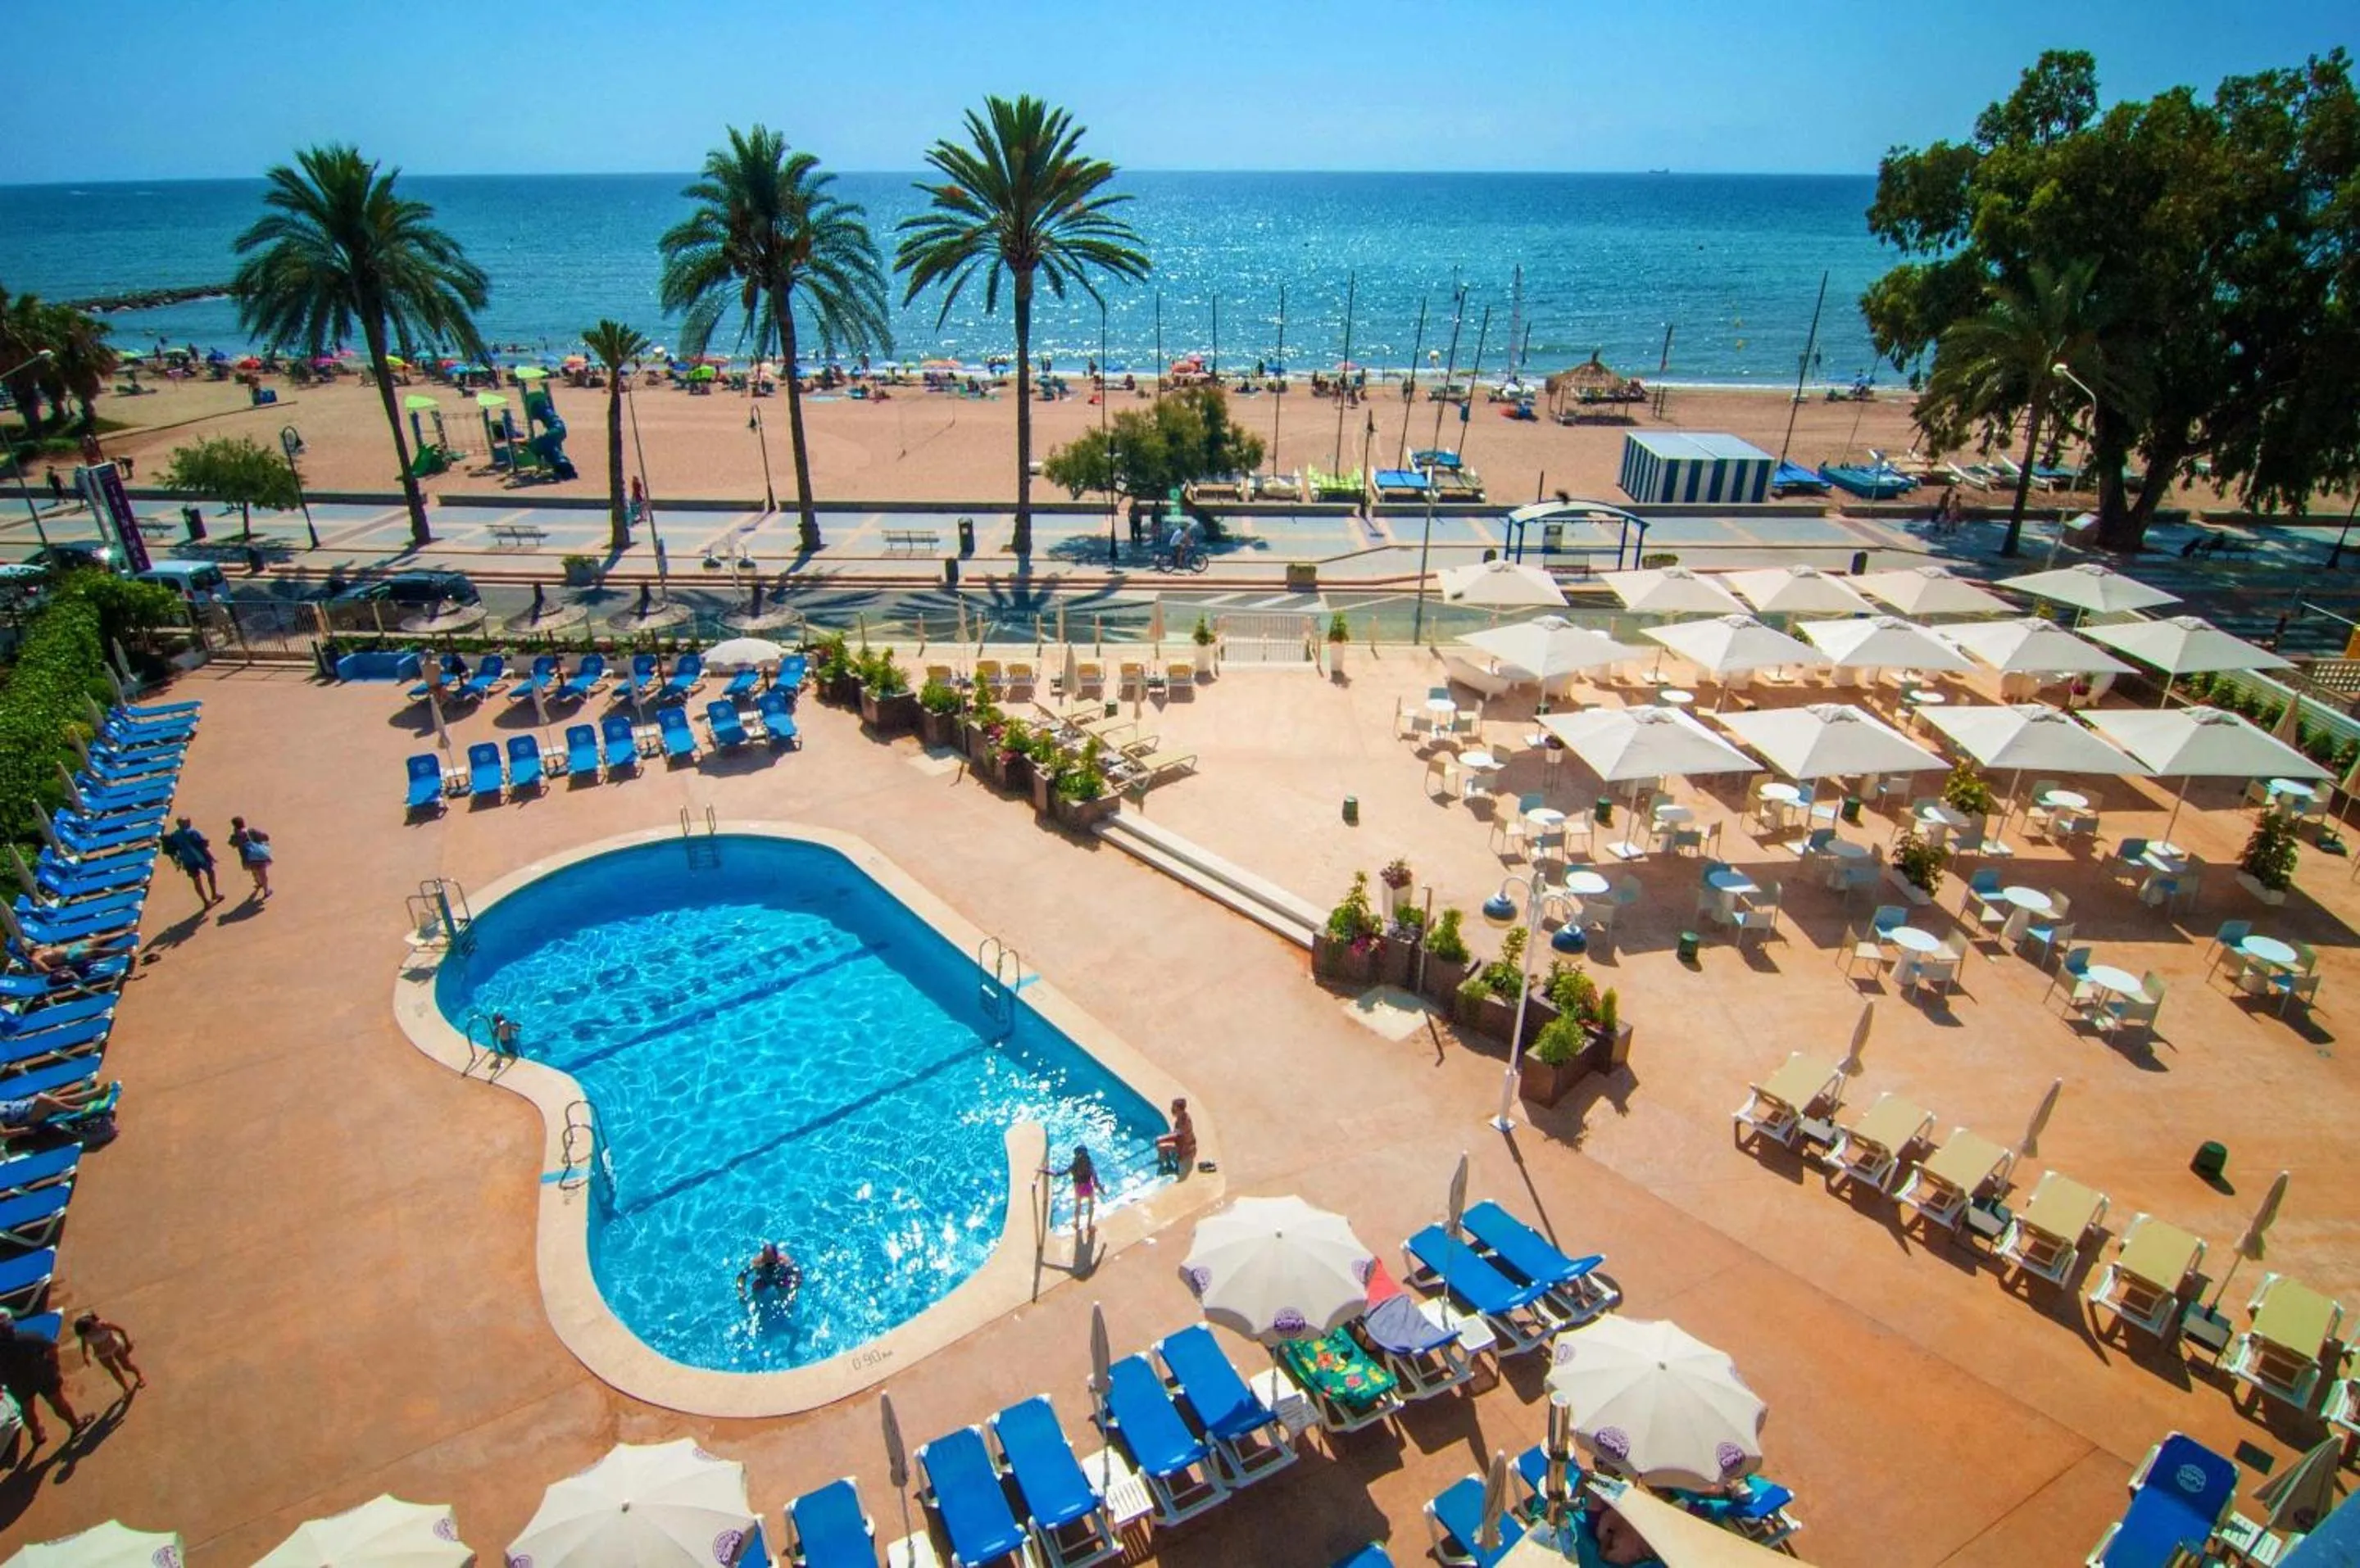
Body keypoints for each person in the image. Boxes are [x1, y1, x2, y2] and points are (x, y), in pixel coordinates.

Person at [0, 1309, 87, 1448]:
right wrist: (54, 1366)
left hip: (16, 1381)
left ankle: (38, 1435)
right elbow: (52, 1347)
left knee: (27, 1408)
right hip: (42, 1374)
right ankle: (76, 1425)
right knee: (58, 1402)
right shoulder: (30, 1337)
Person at [0, 1081, 114, 1137]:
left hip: (28, 1107)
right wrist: (24, 1131)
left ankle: (96, 1093)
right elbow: (3, 1133)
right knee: (44, 1100)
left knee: (59, 1100)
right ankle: (75, 1109)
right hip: (26, 1118)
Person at [74, 1310, 144, 1394]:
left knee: (127, 1366)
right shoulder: (85, 1334)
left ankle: (139, 1374)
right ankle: (126, 1388)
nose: (91, 1333)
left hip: (116, 1347)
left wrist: (127, 1343)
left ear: (92, 1324)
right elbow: (84, 1344)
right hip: (102, 1354)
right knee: (114, 1371)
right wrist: (85, 1355)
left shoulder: (103, 1325)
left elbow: (121, 1330)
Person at [161, 816, 220, 904]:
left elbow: (173, 851)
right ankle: (214, 893)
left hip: (188, 861)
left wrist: (177, 863)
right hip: (201, 858)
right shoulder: (194, 832)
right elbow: (204, 846)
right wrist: (212, 857)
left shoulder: (175, 835)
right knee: (211, 873)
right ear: (187, 823)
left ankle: (205, 901)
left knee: (196, 880)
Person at [25, 931, 136, 975]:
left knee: (100, 938)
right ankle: (123, 950)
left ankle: (127, 931)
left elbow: (61, 947)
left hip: (73, 947)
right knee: (94, 951)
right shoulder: (35, 957)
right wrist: (52, 970)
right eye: (30, 944)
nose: (33, 943)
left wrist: (74, 943)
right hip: (70, 956)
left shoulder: (43, 947)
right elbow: (40, 965)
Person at [1052, 1144, 1099, 1235]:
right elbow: (1095, 1177)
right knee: (1091, 1205)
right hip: (1089, 1188)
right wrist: (1098, 1186)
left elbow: (1061, 1173)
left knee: (1078, 1207)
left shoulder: (1074, 1166)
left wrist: (1049, 1172)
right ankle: (1089, 1225)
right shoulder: (1089, 1163)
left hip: (1079, 1188)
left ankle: (1077, 1223)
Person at [737, 1240, 803, 1303]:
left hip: (781, 1279)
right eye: (766, 1260)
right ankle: (755, 1305)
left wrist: (794, 1290)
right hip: (764, 1279)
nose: (769, 1263)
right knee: (755, 1289)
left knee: (787, 1295)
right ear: (763, 1257)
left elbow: (798, 1273)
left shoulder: (784, 1260)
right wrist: (741, 1292)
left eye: (772, 1260)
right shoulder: (757, 1262)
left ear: (776, 1256)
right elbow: (742, 1275)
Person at [227, 816, 272, 900]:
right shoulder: (251, 831)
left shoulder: (235, 836)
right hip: (259, 855)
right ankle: (266, 891)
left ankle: (258, 883)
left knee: (254, 870)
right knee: (263, 874)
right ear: (243, 823)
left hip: (248, 857)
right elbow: (265, 837)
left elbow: (232, 844)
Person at [1155, 1098, 1196, 1175]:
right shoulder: (1180, 1118)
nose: (1172, 1110)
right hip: (1180, 1142)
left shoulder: (1185, 1123)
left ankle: (1169, 1166)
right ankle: (1163, 1159)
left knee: (1161, 1146)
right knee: (1159, 1140)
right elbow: (1176, 1133)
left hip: (1184, 1148)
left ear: (1181, 1110)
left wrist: (1181, 1155)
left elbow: (1183, 1139)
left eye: (1175, 1109)